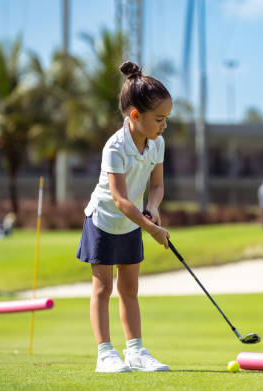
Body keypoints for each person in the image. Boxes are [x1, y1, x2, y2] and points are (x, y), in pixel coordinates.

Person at [76, 61, 172, 373]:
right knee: (102, 288)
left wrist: (153, 208)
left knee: (129, 290)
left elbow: (156, 186)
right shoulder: (114, 147)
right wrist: (151, 229)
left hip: (133, 221)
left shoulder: (157, 143)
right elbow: (119, 199)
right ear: (135, 115)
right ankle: (105, 353)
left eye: (166, 119)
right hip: (104, 220)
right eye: (159, 119)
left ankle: (136, 352)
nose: (164, 125)